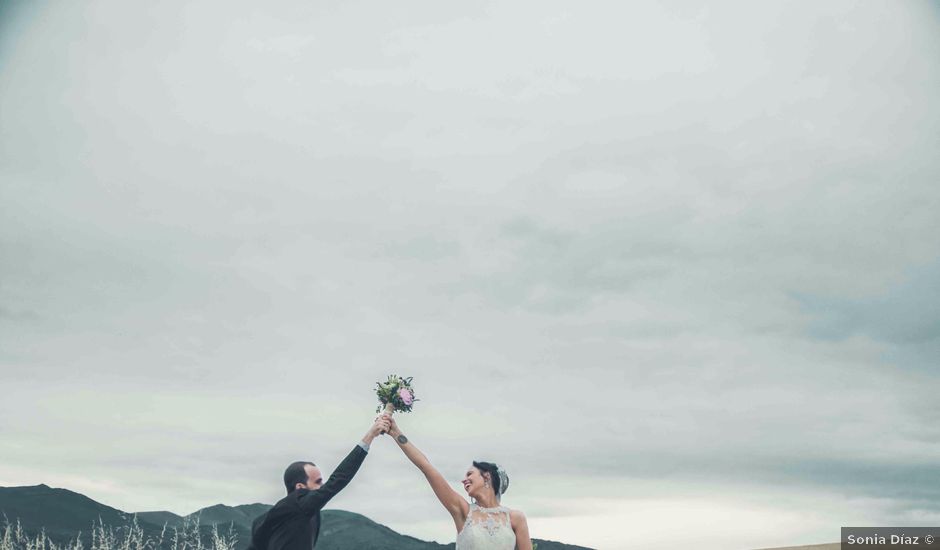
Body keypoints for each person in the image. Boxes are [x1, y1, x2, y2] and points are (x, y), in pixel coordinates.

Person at [386, 417, 532, 550]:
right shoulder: (464, 511)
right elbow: (426, 467)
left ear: (487, 476)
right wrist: (396, 433)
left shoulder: (515, 518)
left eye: (470, 474)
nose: (464, 480)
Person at [248, 415, 391, 550]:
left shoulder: (264, 520)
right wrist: (370, 436)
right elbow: (338, 479)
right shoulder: (300, 504)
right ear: (299, 488)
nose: (322, 486)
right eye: (318, 482)